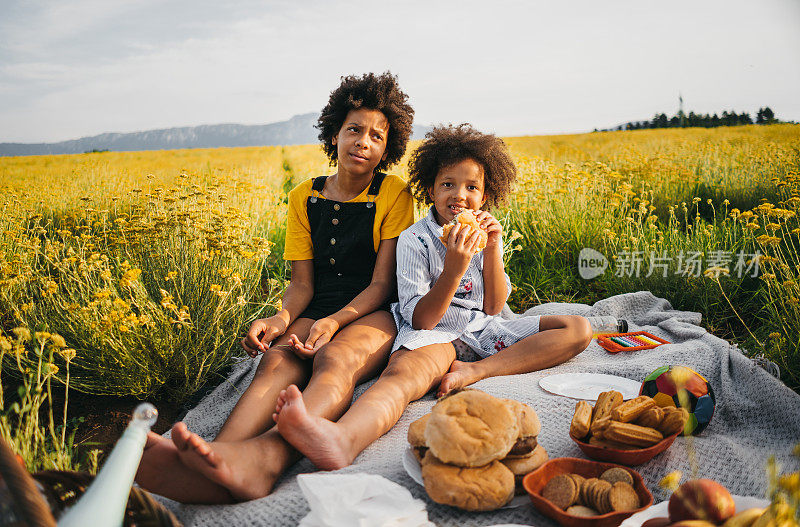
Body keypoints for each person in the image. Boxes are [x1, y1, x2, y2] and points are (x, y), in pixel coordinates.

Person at [134, 72, 415, 503]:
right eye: (354, 129)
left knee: (335, 359)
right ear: (334, 134)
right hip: (317, 304)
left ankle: (265, 462)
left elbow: (382, 283)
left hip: (371, 310)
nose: (363, 141)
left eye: (377, 136)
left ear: (387, 148)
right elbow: (301, 284)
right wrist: (281, 318)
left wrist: (333, 324)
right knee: (276, 361)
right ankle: (219, 459)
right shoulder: (304, 195)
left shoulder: (392, 193)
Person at [272, 124, 594, 471]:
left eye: (471, 187)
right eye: (447, 185)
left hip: (481, 329)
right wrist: (454, 270)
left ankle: (473, 371)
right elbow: (421, 319)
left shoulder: (484, 234)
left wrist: (493, 250)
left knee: (578, 329)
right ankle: (342, 439)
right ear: (430, 190)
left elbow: (494, 308)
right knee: (400, 378)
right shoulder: (415, 240)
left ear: (485, 197)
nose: (459, 195)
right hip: (433, 332)